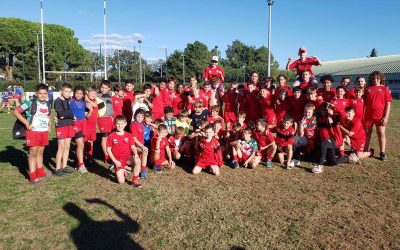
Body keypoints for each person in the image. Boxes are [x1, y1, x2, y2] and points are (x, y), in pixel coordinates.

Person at [13, 83, 51, 184]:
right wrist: (26, 123)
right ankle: (33, 175)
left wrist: (49, 125)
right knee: (33, 153)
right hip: (33, 131)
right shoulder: (30, 102)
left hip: (43, 131)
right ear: (36, 93)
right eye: (40, 93)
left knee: (40, 152)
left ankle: (40, 172)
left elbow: (48, 115)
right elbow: (16, 112)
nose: (43, 95)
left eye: (45, 93)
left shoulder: (48, 103)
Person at [311, 102, 349, 174]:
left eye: (325, 110)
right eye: (322, 110)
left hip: (333, 140)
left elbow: (344, 115)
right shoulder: (319, 118)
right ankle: (348, 158)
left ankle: (320, 165)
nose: (324, 111)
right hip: (324, 144)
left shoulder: (334, 117)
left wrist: (335, 107)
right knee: (331, 162)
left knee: (324, 142)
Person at [364, 71, 392, 161]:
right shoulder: (367, 89)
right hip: (368, 116)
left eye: (377, 78)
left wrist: (386, 117)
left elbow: (388, 104)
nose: (375, 80)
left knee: (381, 133)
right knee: (367, 133)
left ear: (380, 79)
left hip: (380, 116)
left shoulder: (384, 89)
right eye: (373, 78)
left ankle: (382, 153)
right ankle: (365, 149)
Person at [107, 115, 142, 187]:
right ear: (115, 124)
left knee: (137, 160)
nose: (120, 126)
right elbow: (108, 150)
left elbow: (133, 147)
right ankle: (122, 170)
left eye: (122, 124)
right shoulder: (111, 136)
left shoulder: (128, 135)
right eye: (118, 124)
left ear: (125, 124)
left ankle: (135, 180)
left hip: (127, 158)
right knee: (121, 182)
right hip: (118, 160)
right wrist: (115, 161)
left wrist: (135, 154)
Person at [54, 83, 76, 177]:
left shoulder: (69, 100)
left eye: (69, 92)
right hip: (62, 126)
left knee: (67, 146)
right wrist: (71, 115)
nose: (68, 93)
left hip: (70, 125)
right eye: (66, 91)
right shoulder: (58, 101)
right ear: (61, 91)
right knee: (61, 147)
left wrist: (68, 114)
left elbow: (67, 112)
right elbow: (61, 115)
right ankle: (57, 168)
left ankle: (64, 166)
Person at [69, 86, 93, 173]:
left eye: (80, 94)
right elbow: (66, 111)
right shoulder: (70, 102)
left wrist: (90, 111)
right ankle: (81, 165)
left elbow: (87, 117)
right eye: (77, 93)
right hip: (75, 124)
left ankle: (77, 162)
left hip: (83, 124)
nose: (78, 95)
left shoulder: (84, 103)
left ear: (83, 95)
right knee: (80, 144)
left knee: (79, 144)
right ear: (74, 93)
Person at [97, 80, 114, 163]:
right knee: (105, 137)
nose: (103, 89)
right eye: (102, 87)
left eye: (105, 88)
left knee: (110, 137)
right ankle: (106, 156)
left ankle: (110, 154)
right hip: (103, 119)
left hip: (110, 119)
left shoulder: (110, 96)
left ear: (109, 89)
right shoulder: (98, 96)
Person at [130, 109, 149, 179]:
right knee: (145, 150)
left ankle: (141, 168)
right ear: (135, 116)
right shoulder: (134, 125)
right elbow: (134, 139)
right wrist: (142, 146)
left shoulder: (141, 123)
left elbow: (148, 123)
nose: (140, 118)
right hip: (134, 146)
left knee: (135, 164)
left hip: (139, 145)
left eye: (141, 117)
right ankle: (143, 171)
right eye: (138, 117)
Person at [84, 85, 98, 162]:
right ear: (87, 92)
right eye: (92, 93)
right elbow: (86, 116)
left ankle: (89, 156)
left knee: (91, 141)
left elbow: (95, 105)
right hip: (86, 125)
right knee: (84, 142)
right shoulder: (85, 101)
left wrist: (87, 99)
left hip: (93, 125)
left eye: (95, 94)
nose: (94, 95)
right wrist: (86, 99)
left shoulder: (94, 100)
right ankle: (82, 156)